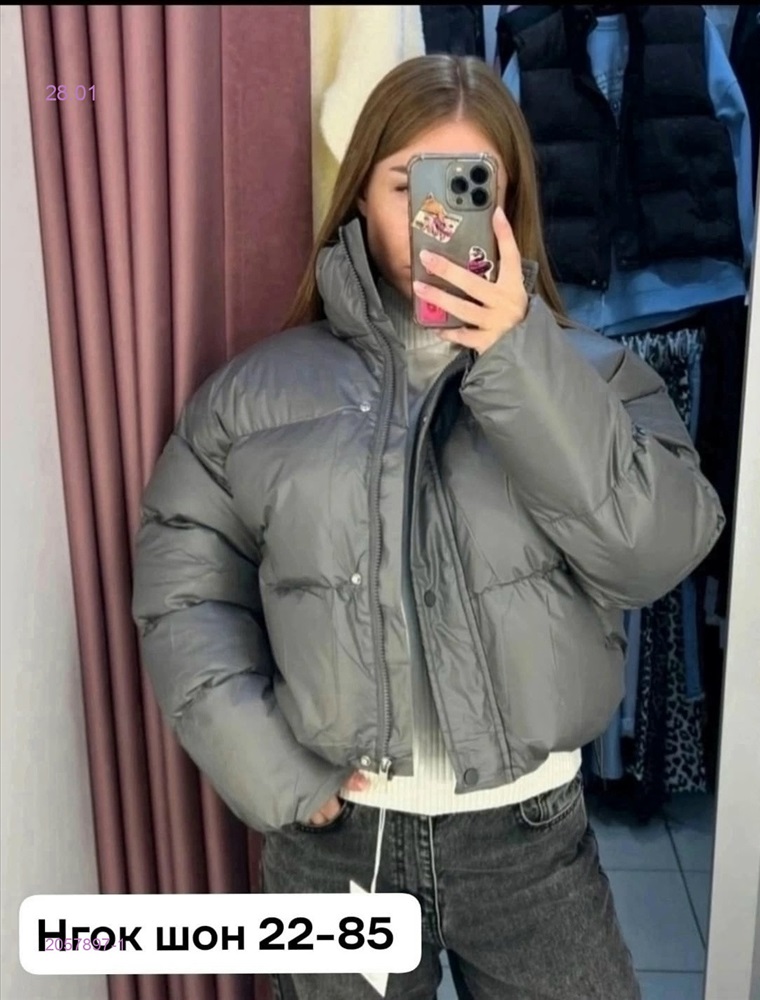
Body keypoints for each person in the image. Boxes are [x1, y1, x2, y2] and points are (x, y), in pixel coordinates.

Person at [132, 54, 724, 1000]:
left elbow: (652, 553)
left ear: (508, 202)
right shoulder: (253, 395)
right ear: (360, 197)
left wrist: (519, 360)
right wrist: (273, 771)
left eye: (467, 184)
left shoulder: (594, 378)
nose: (432, 217)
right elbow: (184, 594)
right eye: (407, 184)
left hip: (530, 844)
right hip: (336, 846)